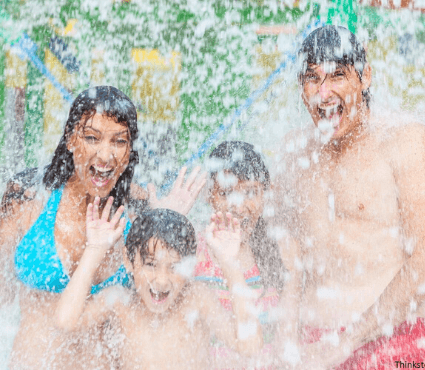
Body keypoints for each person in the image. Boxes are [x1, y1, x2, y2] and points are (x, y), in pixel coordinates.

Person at [0, 85, 206, 369]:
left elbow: (161, 300)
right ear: (71, 138)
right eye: (92, 138)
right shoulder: (30, 197)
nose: (106, 155)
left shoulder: (138, 209)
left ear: (130, 148)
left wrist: (163, 224)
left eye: (119, 141)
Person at [273, 25, 425, 368]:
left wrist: (347, 340)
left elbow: (422, 264)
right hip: (311, 346)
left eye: (337, 76)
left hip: (389, 341)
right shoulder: (295, 154)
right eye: (312, 79)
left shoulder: (405, 143)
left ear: (365, 77)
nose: (323, 94)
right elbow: (279, 253)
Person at [55, 202, 264, 370]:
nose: (162, 280)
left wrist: (229, 263)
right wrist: (94, 250)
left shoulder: (196, 298)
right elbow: (65, 322)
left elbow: (250, 345)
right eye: (151, 265)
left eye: (174, 267)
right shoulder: (119, 301)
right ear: (128, 261)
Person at [195, 141, 300, 369]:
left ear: (266, 193)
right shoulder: (192, 250)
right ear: (208, 194)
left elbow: (287, 342)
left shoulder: (283, 249)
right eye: (225, 193)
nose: (239, 207)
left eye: (251, 192)